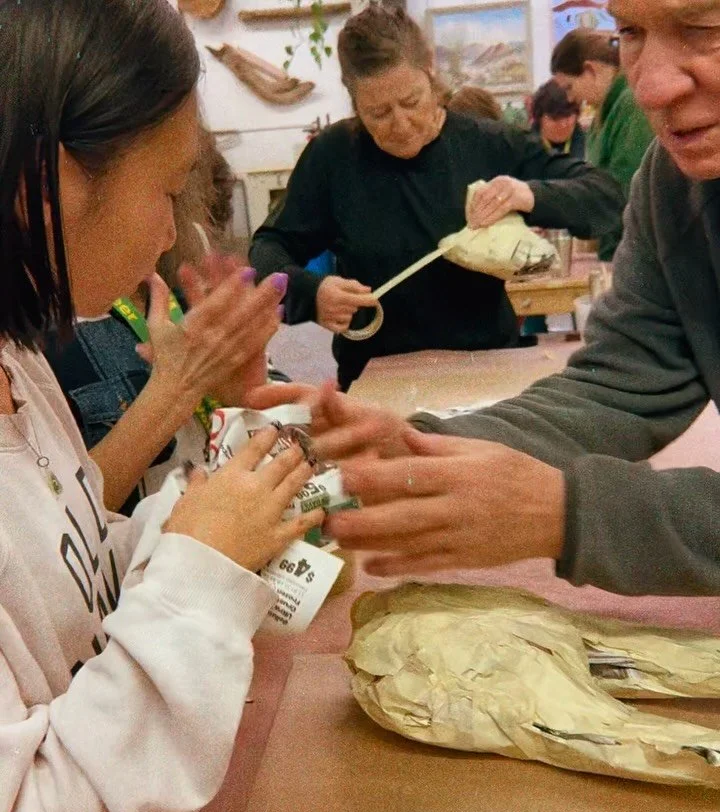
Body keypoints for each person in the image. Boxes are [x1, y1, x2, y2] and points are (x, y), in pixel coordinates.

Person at [0, 0, 324, 812]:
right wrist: (197, 576)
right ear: (44, 188)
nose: (169, 235)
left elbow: (64, 579)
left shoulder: (21, 364)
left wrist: (208, 513)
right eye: (168, 191)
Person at [246, 0, 720, 600]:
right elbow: (624, 385)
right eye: (629, 33)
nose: (648, 86)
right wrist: (422, 442)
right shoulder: (672, 186)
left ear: (435, 83)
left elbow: (593, 194)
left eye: (704, 29)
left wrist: (568, 513)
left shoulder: (492, 143)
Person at [249, 2, 625, 391]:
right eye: (377, 113)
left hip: (487, 371)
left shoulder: (488, 144)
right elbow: (267, 250)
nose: (401, 123)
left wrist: (526, 194)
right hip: (380, 377)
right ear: (354, 102)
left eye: (411, 101)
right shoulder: (334, 157)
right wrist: (311, 293)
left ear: (430, 70)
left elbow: (607, 199)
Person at [44, 132, 273, 515]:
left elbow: (252, 432)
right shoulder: (27, 345)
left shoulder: (175, 273)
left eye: (179, 193)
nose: (171, 234)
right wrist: (175, 390)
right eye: (165, 191)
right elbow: (48, 535)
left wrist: (243, 400)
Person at [551, 28, 655, 259]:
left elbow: (624, 191)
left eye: (569, 87)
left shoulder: (630, 106)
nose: (569, 99)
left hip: (635, 255)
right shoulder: (606, 112)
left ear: (590, 70)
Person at [530, 79, 585, 159]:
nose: (563, 124)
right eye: (555, 118)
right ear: (539, 118)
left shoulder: (591, 147)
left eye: (568, 116)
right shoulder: (524, 153)